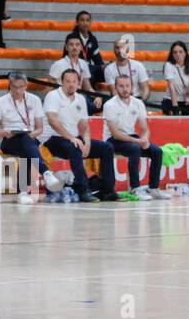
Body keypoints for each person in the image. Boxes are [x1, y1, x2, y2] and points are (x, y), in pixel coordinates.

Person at [0, 71, 65, 204]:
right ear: (10, 86)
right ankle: (46, 172)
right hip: (9, 140)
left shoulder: (34, 100)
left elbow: (40, 128)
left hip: (29, 137)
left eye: (21, 87)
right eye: (14, 87)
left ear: (26, 85)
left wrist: (32, 134)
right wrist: (5, 132)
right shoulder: (1, 102)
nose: (18, 90)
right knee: (28, 145)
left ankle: (23, 193)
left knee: (26, 143)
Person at [42, 67, 115, 201]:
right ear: (61, 82)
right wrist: (72, 138)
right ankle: (82, 190)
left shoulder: (80, 99)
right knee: (75, 147)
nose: (71, 84)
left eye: (74, 81)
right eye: (68, 81)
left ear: (78, 83)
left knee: (107, 148)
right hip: (52, 139)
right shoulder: (53, 96)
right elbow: (53, 121)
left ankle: (108, 190)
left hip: (73, 139)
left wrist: (86, 142)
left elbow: (84, 125)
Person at [103, 72, 167, 200]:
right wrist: (138, 142)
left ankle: (153, 188)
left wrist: (144, 139)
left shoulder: (138, 103)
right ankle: (135, 188)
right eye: (121, 86)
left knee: (157, 151)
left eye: (127, 86)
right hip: (113, 140)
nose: (124, 89)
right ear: (115, 87)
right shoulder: (109, 105)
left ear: (132, 87)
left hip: (131, 137)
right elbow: (115, 133)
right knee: (135, 149)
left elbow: (144, 129)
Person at [103, 34, 150, 102]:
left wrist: (141, 103)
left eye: (122, 48)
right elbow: (113, 91)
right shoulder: (109, 69)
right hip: (119, 100)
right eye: (117, 48)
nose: (119, 51)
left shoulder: (138, 65)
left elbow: (145, 88)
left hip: (137, 98)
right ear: (113, 50)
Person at [162, 40, 189, 115]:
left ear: (185, 53)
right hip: (170, 100)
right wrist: (175, 107)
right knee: (174, 115)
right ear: (172, 54)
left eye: (180, 52)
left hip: (187, 100)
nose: (178, 54)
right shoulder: (168, 65)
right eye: (175, 52)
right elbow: (171, 86)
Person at [70, 10, 106, 88]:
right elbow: (72, 60)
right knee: (88, 71)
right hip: (75, 69)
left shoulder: (92, 39)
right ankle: (89, 97)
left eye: (87, 20)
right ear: (77, 22)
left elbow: (98, 59)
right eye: (82, 20)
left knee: (110, 71)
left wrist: (103, 67)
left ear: (90, 22)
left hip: (90, 69)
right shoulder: (72, 37)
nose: (85, 23)